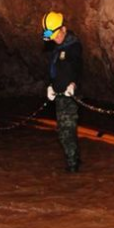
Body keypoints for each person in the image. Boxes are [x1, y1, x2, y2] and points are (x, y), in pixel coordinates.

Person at [42, 11, 83, 173]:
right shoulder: (57, 49)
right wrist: (50, 86)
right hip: (59, 95)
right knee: (62, 131)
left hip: (70, 95)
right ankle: (74, 159)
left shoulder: (74, 46)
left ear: (64, 29)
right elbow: (54, 70)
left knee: (67, 131)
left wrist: (73, 84)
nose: (55, 39)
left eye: (57, 35)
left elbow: (79, 69)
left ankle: (73, 168)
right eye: (52, 38)